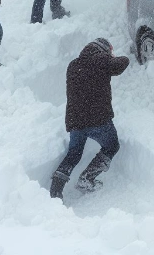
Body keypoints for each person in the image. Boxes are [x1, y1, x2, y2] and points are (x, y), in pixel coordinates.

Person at [49, 38, 129, 199]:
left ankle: (55, 190)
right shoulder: (101, 60)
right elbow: (122, 63)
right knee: (112, 146)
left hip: (75, 120)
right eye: (110, 51)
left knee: (74, 154)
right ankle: (87, 179)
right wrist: (117, 57)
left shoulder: (73, 65)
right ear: (104, 50)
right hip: (97, 118)